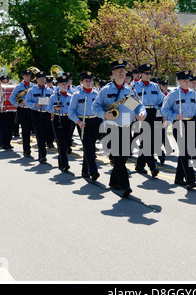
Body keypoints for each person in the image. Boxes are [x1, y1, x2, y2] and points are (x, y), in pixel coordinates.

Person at [92, 59, 147, 198]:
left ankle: (113, 181)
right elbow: (95, 107)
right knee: (118, 157)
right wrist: (104, 114)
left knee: (123, 157)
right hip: (112, 128)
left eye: (123, 70)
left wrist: (142, 112)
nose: (122, 73)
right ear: (113, 73)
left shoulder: (129, 90)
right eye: (119, 70)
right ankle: (125, 186)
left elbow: (137, 105)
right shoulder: (106, 90)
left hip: (127, 127)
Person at [161, 70, 196, 189]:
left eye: (188, 80)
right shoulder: (173, 94)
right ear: (179, 81)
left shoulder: (194, 94)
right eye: (185, 81)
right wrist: (174, 116)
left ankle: (178, 178)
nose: (188, 83)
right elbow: (164, 110)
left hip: (191, 122)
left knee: (185, 151)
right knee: (186, 152)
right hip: (179, 123)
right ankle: (190, 180)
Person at [68, 71, 102, 180]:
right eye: (86, 81)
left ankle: (84, 171)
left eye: (90, 80)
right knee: (88, 147)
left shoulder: (97, 94)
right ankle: (93, 171)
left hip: (95, 121)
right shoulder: (76, 95)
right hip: (83, 122)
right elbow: (71, 112)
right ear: (81, 82)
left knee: (91, 147)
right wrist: (78, 122)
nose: (89, 83)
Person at [133, 63, 163, 177]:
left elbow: (160, 101)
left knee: (150, 141)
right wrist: (136, 114)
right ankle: (152, 166)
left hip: (152, 113)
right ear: (141, 74)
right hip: (140, 114)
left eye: (150, 73)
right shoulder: (135, 86)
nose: (148, 75)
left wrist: (162, 112)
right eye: (146, 73)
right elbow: (130, 101)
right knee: (145, 141)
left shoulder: (155, 86)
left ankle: (140, 165)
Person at [25, 71, 53, 163]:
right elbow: (27, 102)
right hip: (36, 113)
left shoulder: (49, 90)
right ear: (37, 80)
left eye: (44, 78)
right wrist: (35, 104)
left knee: (45, 134)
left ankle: (42, 153)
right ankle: (42, 155)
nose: (42, 80)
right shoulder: (32, 90)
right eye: (40, 78)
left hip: (46, 114)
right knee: (40, 134)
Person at [48, 75, 73, 172]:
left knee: (66, 143)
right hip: (58, 119)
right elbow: (48, 109)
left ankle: (61, 162)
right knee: (61, 143)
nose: (65, 85)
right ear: (58, 85)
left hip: (68, 119)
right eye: (62, 84)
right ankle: (65, 164)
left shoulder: (71, 96)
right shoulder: (54, 96)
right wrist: (54, 108)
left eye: (66, 83)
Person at [10, 69, 34, 157]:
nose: (28, 76)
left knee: (33, 130)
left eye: (29, 75)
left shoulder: (33, 86)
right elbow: (11, 98)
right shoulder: (18, 87)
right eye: (26, 75)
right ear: (23, 76)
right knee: (25, 130)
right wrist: (17, 104)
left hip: (31, 109)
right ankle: (26, 149)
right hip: (22, 110)